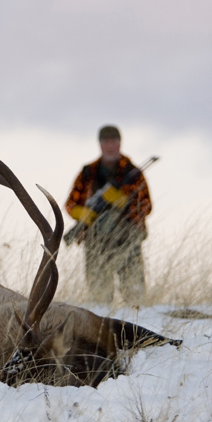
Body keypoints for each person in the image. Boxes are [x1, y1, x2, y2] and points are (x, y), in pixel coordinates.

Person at [65, 125, 152, 304]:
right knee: (99, 296)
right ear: (100, 144)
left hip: (127, 238)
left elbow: (146, 206)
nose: (110, 146)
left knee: (134, 295)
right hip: (96, 240)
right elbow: (70, 204)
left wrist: (125, 202)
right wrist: (80, 213)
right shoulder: (88, 172)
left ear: (120, 144)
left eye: (114, 141)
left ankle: (137, 326)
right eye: (106, 141)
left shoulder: (133, 173)